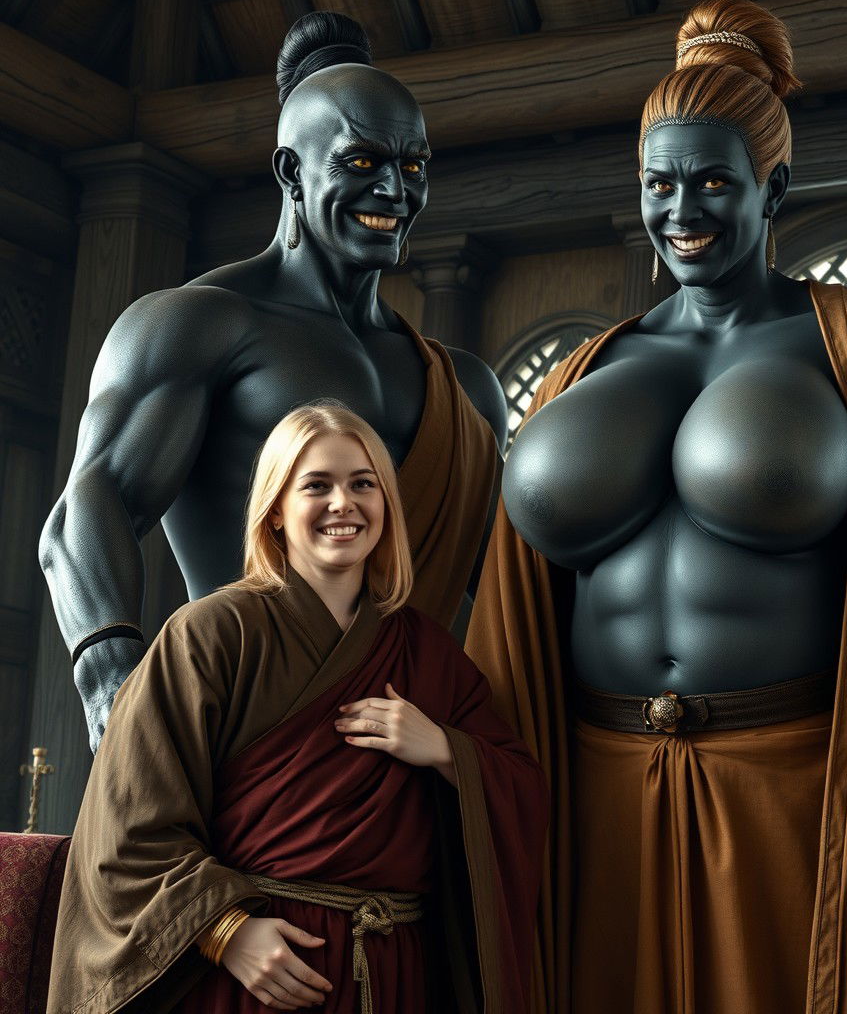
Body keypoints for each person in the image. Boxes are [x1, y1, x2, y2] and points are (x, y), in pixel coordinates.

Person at [466, 0, 847, 1013]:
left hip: (792, 783)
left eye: (714, 182)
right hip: (590, 789)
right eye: (659, 183)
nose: (682, 210)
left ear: (776, 186)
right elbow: (513, 608)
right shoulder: (582, 372)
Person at [40, 11, 507, 753]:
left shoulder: (467, 390)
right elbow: (84, 515)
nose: (395, 190)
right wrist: (116, 694)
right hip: (241, 731)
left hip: (402, 751)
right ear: (291, 172)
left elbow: (511, 594)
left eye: (414, 166)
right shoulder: (197, 324)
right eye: (362, 162)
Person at [47, 402, 546, 1014]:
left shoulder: (429, 652)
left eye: (363, 484)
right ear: (276, 510)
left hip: (396, 977)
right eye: (316, 486)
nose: (343, 503)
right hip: (255, 975)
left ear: (387, 505)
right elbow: (127, 825)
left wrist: (445, 749)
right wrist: (226, 932)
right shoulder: (210, 634)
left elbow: (522, 789)